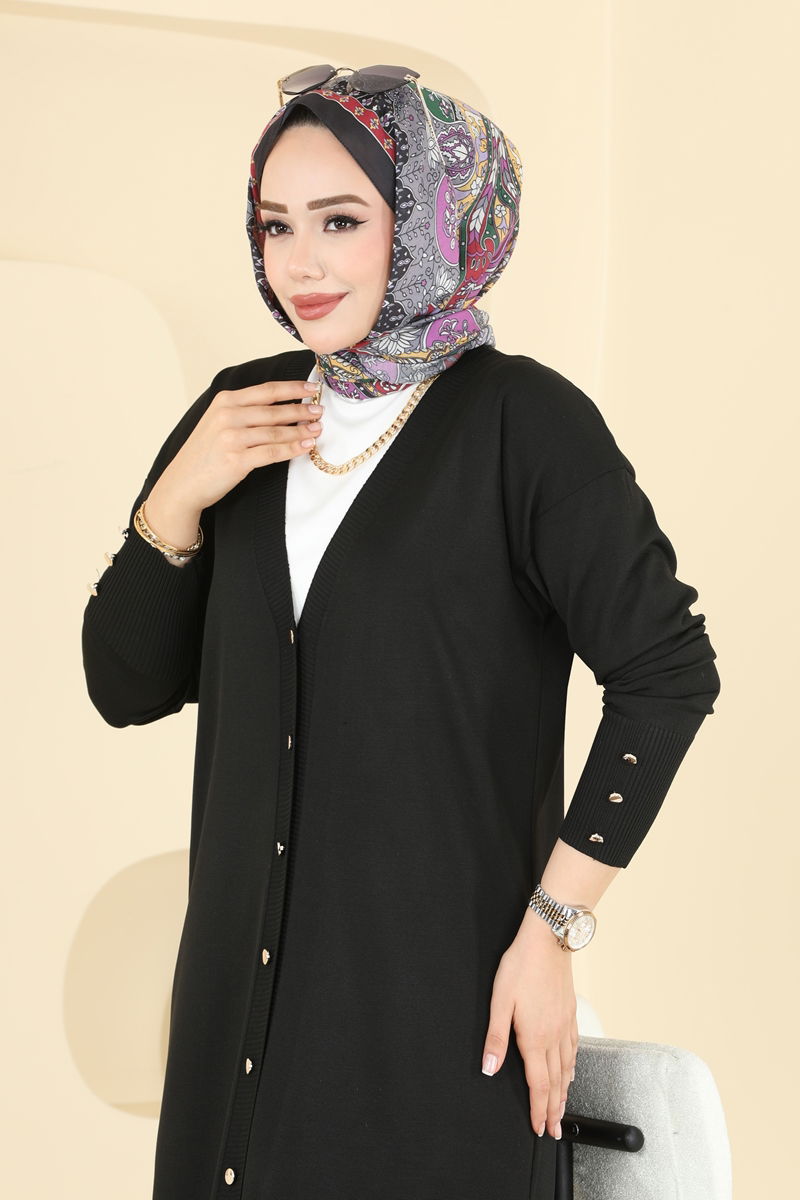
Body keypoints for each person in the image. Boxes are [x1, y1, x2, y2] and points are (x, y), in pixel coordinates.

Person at [81, 65, 721, 1200]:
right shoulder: (242, 414)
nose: (300, 263)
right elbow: (123, 684)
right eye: (276, 224)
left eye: (340, 221)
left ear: (431, 223)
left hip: (435, 1028)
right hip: (235, 1033)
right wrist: (177, 496)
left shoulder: (526, 424)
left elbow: (667, 672)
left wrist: (553, 930)